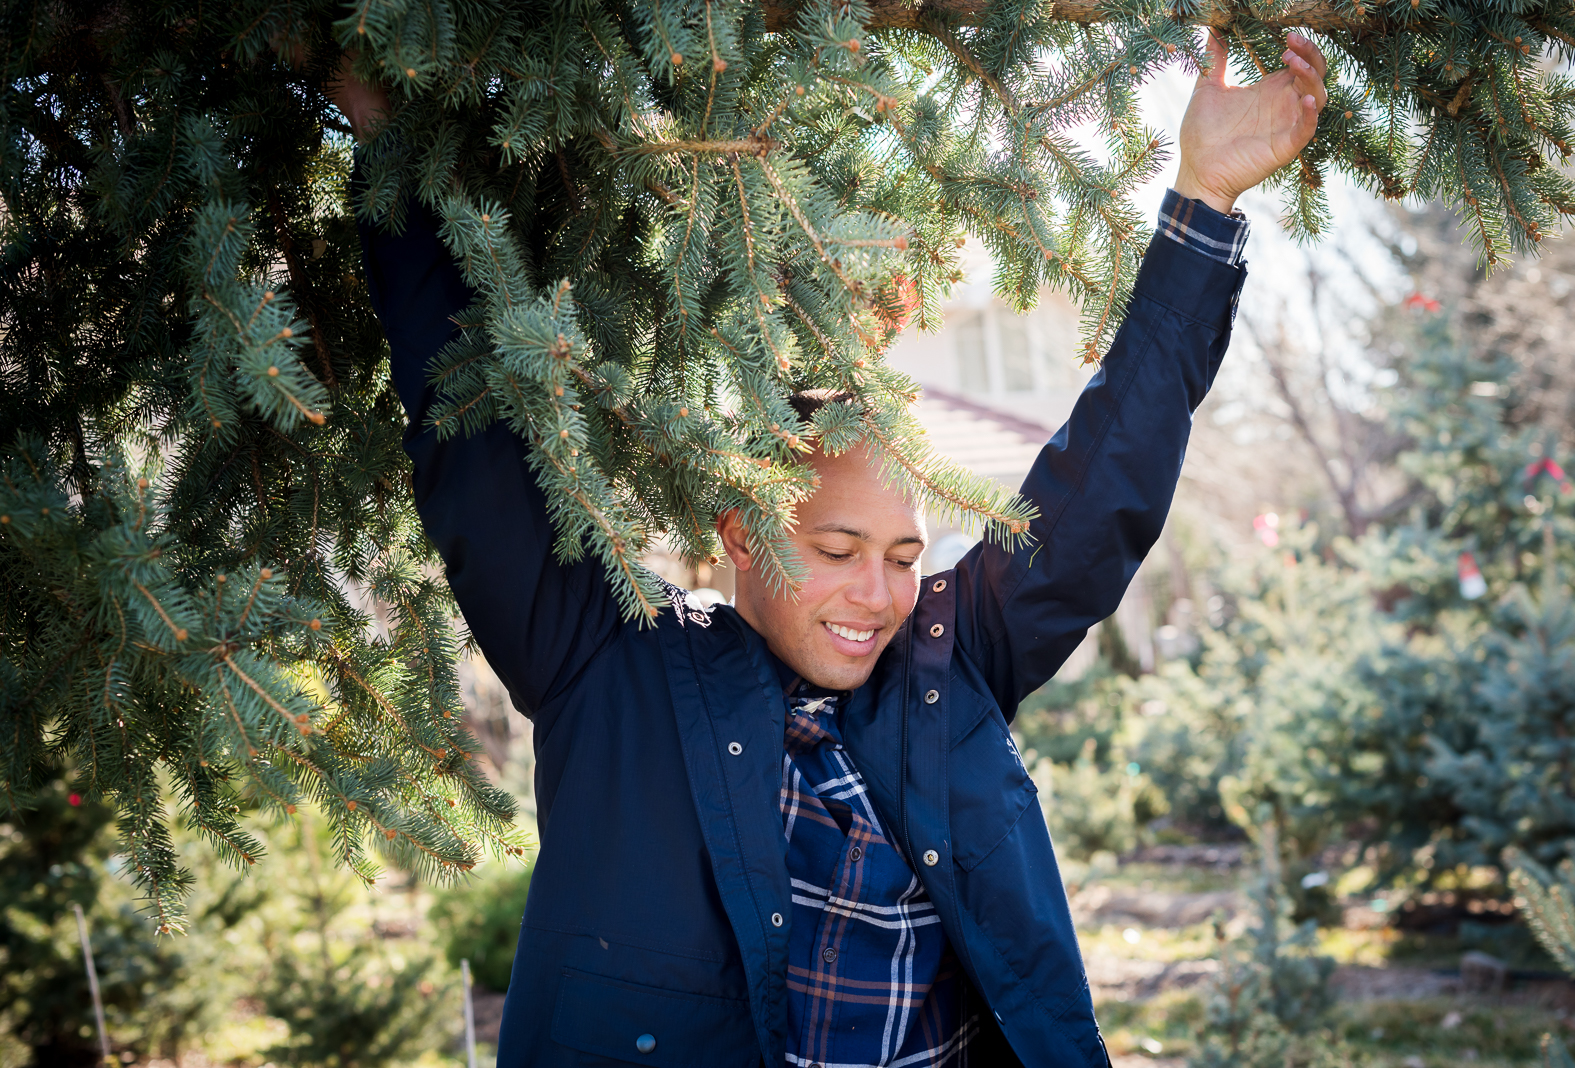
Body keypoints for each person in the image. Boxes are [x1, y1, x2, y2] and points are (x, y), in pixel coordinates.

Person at [330, 29, 1326, 1068]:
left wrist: (1203, 196)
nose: (876, 594)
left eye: (903, 555)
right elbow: (477, 455)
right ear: (740, 532)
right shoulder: (608, 662)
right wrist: (387, 140)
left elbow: (1102, 482)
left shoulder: (950, 667)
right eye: (838, 548)